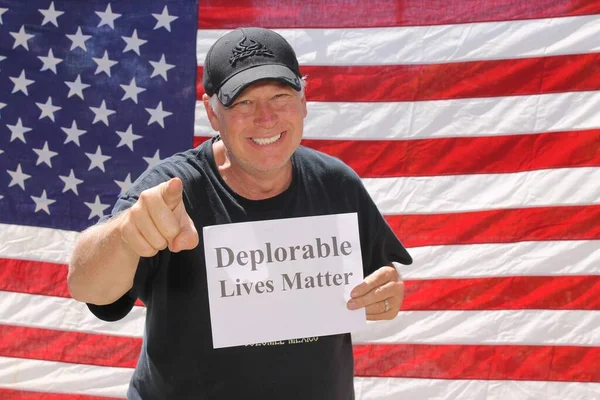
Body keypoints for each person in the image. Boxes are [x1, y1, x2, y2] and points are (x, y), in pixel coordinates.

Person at [68, 27, 412, 400]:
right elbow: (87, 286)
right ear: (212, 113)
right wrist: (124, 234)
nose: (266, 118)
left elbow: (380, 278)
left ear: (304, 102)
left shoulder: (335, 183)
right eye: (242, 102)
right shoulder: (170, 191)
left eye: (281, 96)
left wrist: (387, 293)